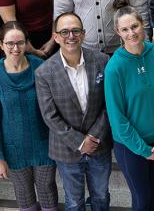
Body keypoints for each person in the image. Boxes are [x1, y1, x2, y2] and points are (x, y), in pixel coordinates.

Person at [34, 13, 113, 211]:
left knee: (101, 196)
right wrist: (79, 142)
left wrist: (94, 136)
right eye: (65, 31)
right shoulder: (44, 72)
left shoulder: (103, 61)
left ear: (83, 34)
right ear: (56, 37)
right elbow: (49, 115)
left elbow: (110, 103)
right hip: (66, 149)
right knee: (74, 202)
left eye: (75, 30)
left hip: (99, 145)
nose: (71, 36)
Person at [104, 2, 154, 211]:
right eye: (125, 29)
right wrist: (143, 149)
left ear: (142, 24)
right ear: (118, 32)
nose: (131, 33)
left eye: (134, 26)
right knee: (142, 200)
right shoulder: (114, 67)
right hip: (131, 148)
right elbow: (117, 120)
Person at [0, 23, 57, 211]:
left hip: (44, 144)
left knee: (47, 189)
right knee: (24, 195)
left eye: (20, 43)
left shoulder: (41, 67)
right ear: (1, 45)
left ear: (26, 43)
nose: (15, 48)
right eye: (10, 43)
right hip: (14, 149)